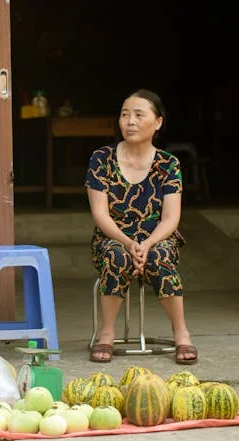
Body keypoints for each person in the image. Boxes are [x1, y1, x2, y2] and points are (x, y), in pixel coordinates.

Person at [85, 89, 197, 365]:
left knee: (159, 256)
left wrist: (146, 244)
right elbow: (100, 214)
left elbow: (171, 218)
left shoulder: (169, 164)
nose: (130, 121)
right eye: (125, 115)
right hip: (112, 237)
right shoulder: (101, 159)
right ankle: (107, 334)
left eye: (138, 115)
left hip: (157, 238)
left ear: (158, 122)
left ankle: (182, 333)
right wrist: (127, 242)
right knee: (117, 255)